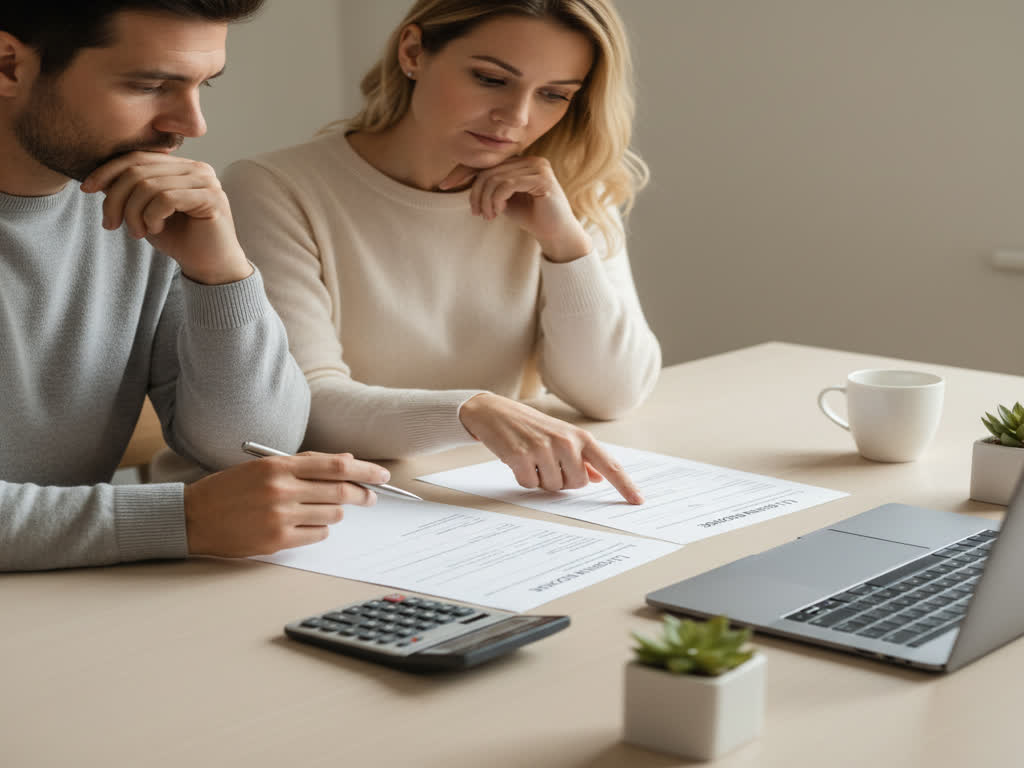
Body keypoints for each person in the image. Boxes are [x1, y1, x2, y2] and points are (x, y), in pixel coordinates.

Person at [0, 1, 390, 572]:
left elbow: (250, 446)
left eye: (203, 84)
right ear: (9, 64)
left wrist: (222, 274)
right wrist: (182, 519)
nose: (192, 124)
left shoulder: (139, 205)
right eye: (150, 85)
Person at [222, 0, 661, 504]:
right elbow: (303, 405)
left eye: (553, 95)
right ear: (413, 52)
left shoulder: (564, 190)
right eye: (491, 79)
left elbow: (613, 394)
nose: (515, 117)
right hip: (339, 507)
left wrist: (565, 245)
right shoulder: (275, 188)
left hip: (485, 500)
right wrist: (472, 411)